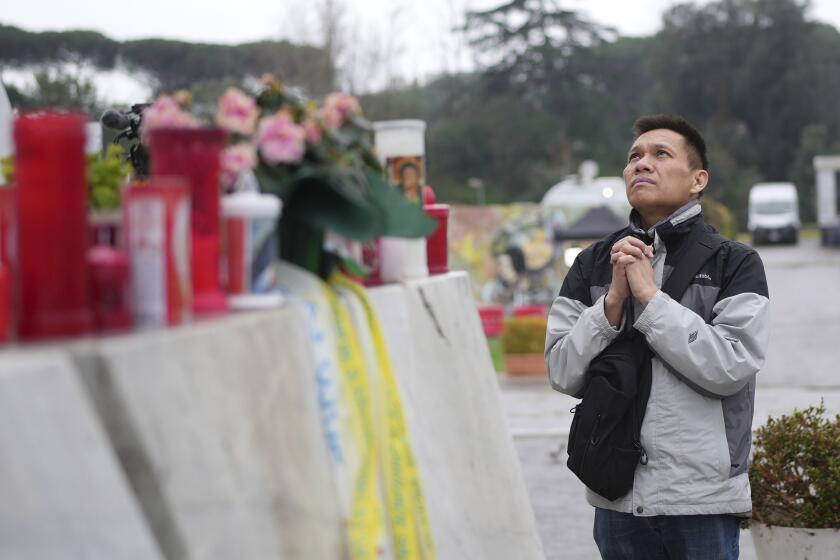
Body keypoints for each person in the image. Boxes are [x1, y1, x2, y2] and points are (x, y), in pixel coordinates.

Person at [545, 115, 769, 559]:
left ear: (697, 180)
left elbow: (731, 366)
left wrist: (649, 297)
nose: (641, 164)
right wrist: (611, 303)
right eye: (634, 156)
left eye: (660, 154)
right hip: (616, 496)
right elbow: (561, 371)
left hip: (700, 500)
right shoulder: (593, 263)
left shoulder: (735, 263)